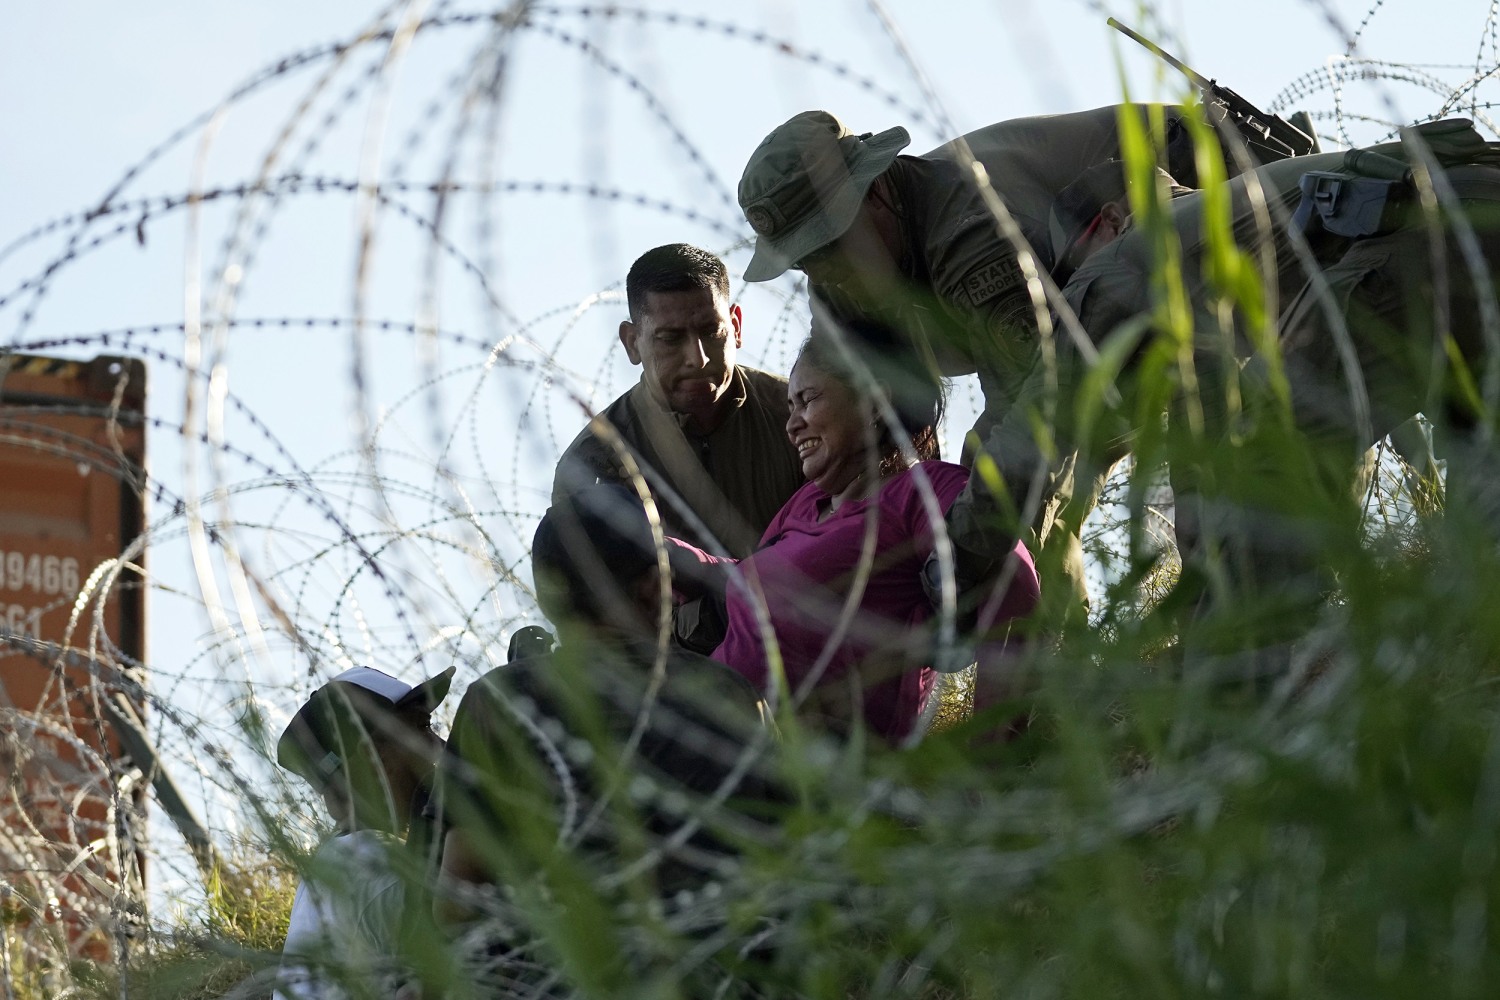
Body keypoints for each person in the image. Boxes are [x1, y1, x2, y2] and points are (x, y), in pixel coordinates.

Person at [736, 104, 1207, 630]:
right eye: (802, 258)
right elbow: (871, 429)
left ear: (875, 194)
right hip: (1091, 322)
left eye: (828, 243)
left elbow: (1042, 416)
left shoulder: (970, 235)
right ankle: (1058, 671)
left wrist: (960, 559)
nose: (820, 272)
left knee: (1011, 480)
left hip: (1203, 225)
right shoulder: (837, 284)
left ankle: (1218, 636)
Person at [1057, 120, 1500, 669]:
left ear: (1111, 221)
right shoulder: (1226, 226)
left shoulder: (1137, 252)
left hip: (1429, 238)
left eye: (1076, 261)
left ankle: (1275, 670)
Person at [433, 484, 779, 995]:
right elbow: (787, 863)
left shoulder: (501, 703)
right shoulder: (729, 695)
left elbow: (458, 902)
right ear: (650, 588)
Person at [669, 320, 1041, 744]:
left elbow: (1012, 572)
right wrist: (674, 557)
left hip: (803, 757)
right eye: (790, 407)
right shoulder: (807, 503)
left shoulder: (922, 491)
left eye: (807, 400)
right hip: (709, 722)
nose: (792, 425)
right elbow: (754, 579)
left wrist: (993, 742)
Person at [552, 243, 804, 557]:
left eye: (711, 331)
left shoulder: (800, 413)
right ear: (633, 343)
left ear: (736, 326)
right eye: (670, 339)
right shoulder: (595, 462)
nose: (697, 359)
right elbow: (597, 594)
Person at [274, 665, 455, 1000]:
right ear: (370, 757)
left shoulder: (342, 862)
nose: (440, 746)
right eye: (421, 729)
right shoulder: (370, 865)